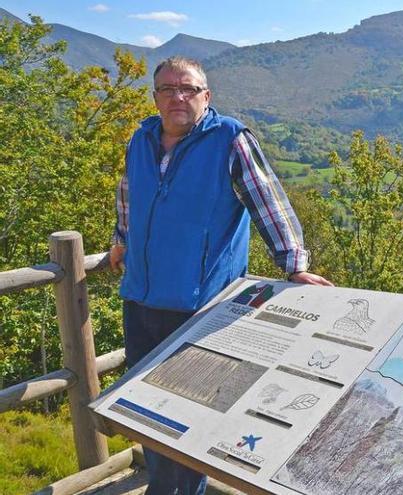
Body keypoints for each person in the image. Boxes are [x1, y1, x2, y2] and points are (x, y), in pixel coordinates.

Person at [109, 56, 332, 495]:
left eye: (188, 89)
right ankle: (161, 486)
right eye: (168, 89)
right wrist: (121, 237)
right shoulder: (142, 139)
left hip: (202, 308)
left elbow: (267, 200)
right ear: (155, 97)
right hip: (140, 300)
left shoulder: (230, 139)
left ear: (205, 96)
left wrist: (295, 265)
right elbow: (130, 192)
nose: (178, 97)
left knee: (189, 420)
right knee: (146, 410)